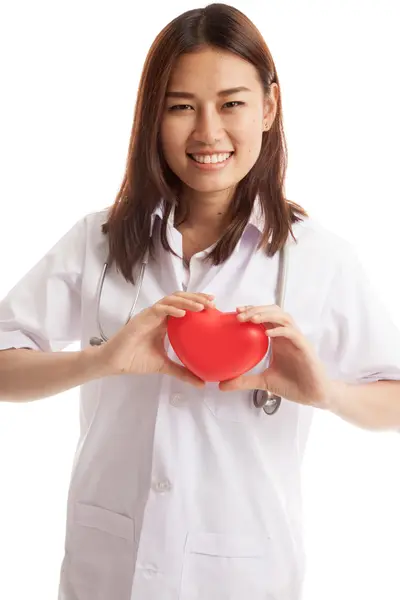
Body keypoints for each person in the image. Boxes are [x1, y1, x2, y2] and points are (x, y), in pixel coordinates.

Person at [1, 3, 400, 599]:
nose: (207, 133)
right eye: (181, 106)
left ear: (269, 108)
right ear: (151, 117)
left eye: (232, 103)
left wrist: (326, 392)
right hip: (109, 570)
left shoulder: (319, 258)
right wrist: (103, 360)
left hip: (244, 575)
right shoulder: (100, 241)